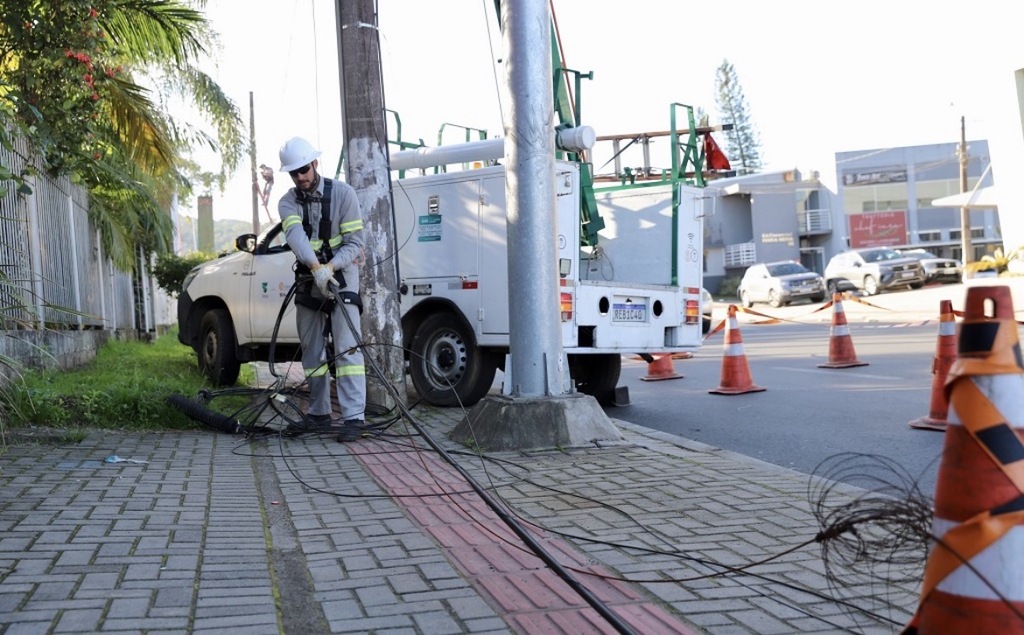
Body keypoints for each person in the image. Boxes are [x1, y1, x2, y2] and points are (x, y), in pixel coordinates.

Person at [277, 136, 367, 440]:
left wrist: (330, 268)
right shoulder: (287, 201)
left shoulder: (344, 194)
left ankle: (354, 417)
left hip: (341, 275)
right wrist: (316, 269)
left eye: (304, 169)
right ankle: (319, 413)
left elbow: (355, 242)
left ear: (315, 163)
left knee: (347, 347)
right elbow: (296, 237)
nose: (300, 177)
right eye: (294, 173)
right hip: (308, 277)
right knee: (313, 351)